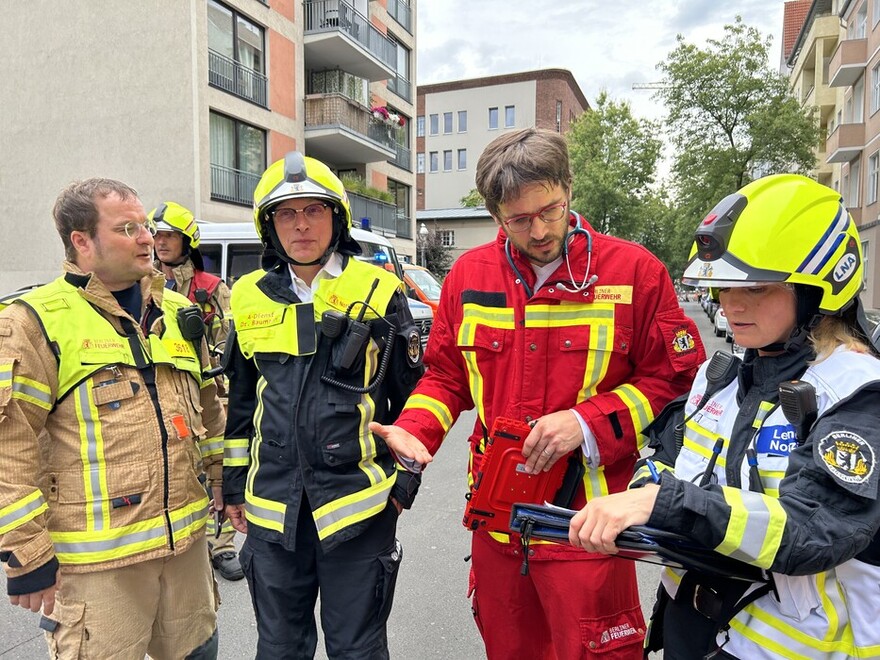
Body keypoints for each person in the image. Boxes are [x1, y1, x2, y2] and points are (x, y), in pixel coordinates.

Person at [372, 128, 704, 659]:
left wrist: (588, 422)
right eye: (520, 220)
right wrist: (415, 430)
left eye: (551, 210)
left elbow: (678, 382)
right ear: (495, 214)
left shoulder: (633, 272)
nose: (541, 230)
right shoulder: (467, 277)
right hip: (498, 525)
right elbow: (445, 376)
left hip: (590, 527)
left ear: (569, 188)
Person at [569, 173, 880, 659]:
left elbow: (812, 529)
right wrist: (643, 490)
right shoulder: (723, 377)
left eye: (755, 287)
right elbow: (670, 461)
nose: (730, 305)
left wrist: (666, 504)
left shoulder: (858, 396)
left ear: (819, 289)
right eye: (724, 287)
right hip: (693, 630)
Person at [0, 178, 226, 658]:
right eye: (129, 228)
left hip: (186, 556)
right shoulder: (32, 322)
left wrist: (225, 480)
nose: (148, 237)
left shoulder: (181, 312)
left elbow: (208, 409)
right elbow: (9, 446)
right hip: (99, 574)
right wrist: (26, 553)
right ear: (81, 241)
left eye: (146, 226)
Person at [218, 151, 424, 658]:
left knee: (358, 648)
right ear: (270, 226)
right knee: (280, 647)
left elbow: (414, 396)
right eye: (287, 213)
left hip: (360, 510)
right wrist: (233, 489)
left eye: (314, 210)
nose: (301, 225)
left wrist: (405, 484)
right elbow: (242, 402)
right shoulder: (246, 295)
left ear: (338, 217)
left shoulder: (379, 290)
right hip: (271, 513)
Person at [149, 201, 242, 582]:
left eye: (170, 235)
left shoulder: (211, 289)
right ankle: (186, 537)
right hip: (164, 389)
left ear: (188, 241)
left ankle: (221, 545)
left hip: (210, 390)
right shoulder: (145, 286)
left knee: (215, 462)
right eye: (157, 235)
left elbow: (229, 343)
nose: (161, 242)